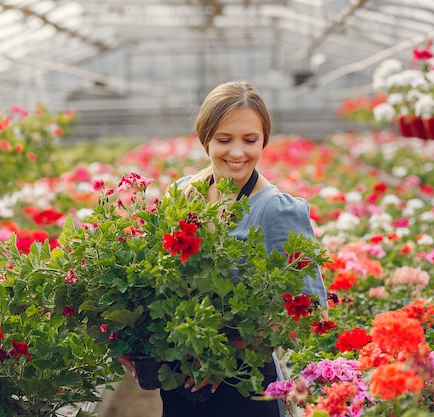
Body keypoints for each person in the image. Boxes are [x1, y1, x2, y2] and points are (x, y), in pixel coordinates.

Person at [119, 80, 328, 417]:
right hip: (180, 382)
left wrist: (226, 356)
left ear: (264, 141)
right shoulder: (185, 194)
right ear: (206, 140)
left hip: (243, 388)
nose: (236, 152)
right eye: (223, 139)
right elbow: (160, 284)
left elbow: (307, 307)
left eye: (250, 140)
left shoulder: (276, 208)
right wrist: (131, 337)